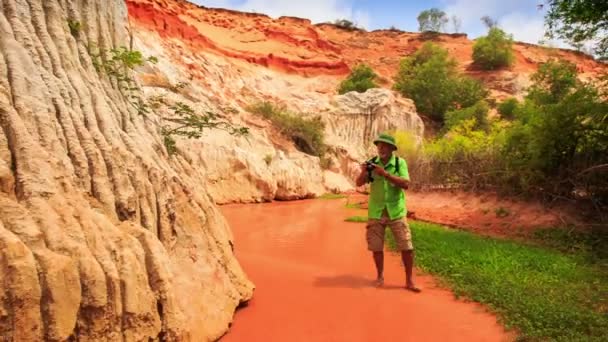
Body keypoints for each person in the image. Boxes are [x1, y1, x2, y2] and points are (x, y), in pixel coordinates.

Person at [355, 133, 421, 292]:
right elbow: (358, 183)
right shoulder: (371, 163)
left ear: (392, 149)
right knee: (376, 248)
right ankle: (380, 276)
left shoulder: (400, 163)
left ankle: (409, 281)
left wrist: (385, 174)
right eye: (379, 145)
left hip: (396, 211)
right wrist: (364, 171)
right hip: (376, 212)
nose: (381, 148)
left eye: (385, 145)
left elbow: (405, 184)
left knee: (407, 247)